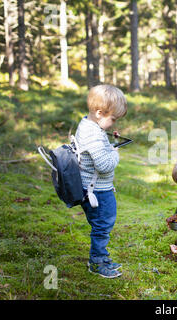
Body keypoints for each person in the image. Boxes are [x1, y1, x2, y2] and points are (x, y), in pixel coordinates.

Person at [75, 84, 127, 278]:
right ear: (99, 113)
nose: (114, 123)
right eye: (112, 118)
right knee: (102, 226)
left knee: (101, 225)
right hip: (97, 192)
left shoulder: (88, 125)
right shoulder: (93, 133)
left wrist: (108, 144)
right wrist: (115, 153)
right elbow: (104, 165)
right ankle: (97, 261)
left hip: (94, 188)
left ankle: (102, 257)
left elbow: (96, 151)